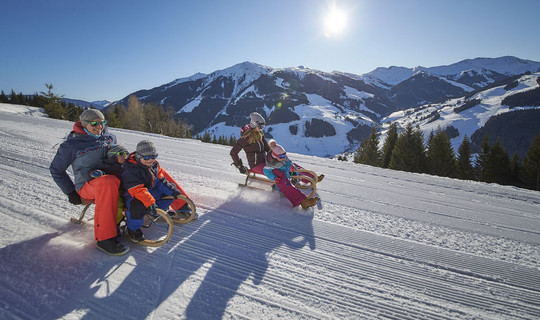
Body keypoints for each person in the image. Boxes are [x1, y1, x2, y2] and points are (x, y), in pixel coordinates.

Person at [50, 109, 129, 256]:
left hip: (110, 179)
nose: (100, 127)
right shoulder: (71, 145)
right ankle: (105, 239)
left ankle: (178, 204)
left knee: (144, 163)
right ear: (85, 124)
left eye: (102, 123)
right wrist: (71, 192)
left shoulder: (109, 137)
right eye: (94, 123)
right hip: (88, 186)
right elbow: (56, 170)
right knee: (109, 182)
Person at [122, 140, 186, 242]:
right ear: (139, 156)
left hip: (150, 191)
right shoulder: (131, 169)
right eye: (146, 157)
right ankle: (133, 229)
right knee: (136, 207)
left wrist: (173, 191)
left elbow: (160, 180)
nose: (150, 160)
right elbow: (138, 190)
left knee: (168, 192)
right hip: (135, 195)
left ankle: (158, 211)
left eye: (153, 156)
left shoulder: (154, 165)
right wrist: (150, 202)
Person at [263, 143, 320, 209]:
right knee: (285, 183)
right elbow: (266, 172)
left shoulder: (282, 157)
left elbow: (288, 162)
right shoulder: (270, 164)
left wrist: (291, 166)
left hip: (287, 174)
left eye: (284, 155)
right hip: (281, 184)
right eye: (281, 157)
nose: (283, 158)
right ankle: (303, 202)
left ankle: (310, 178)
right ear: (275, 156)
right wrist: (274, 178)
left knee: (296, 170)